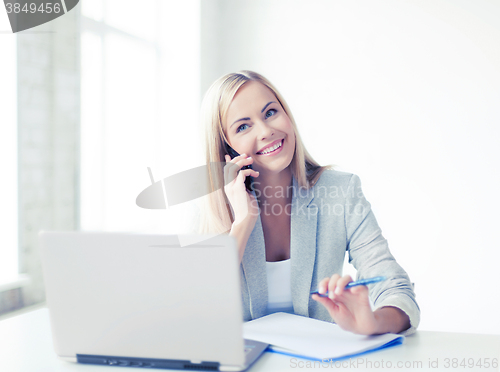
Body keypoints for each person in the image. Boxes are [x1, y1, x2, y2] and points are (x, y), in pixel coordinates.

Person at [197, 70, 419, 336]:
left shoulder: (340, 191)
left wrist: (372, 322)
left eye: (270, 113)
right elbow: (197, 311)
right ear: (227, 148)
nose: (267, 131)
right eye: (243, 126)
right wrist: (242, 222)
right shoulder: (210, 209)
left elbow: (396, 287)